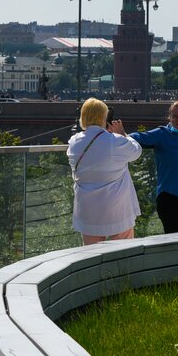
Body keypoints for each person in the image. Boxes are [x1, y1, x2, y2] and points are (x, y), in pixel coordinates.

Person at [67, 97, 143, 245]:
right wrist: (123, 134)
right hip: (117, 209)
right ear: (104, 117)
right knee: (123, 255)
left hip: (87, 210)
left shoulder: (74, 142)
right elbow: (136, 152)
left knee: (91, 258)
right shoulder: (114, 141)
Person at [130, 100, 178, 233]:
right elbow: (137, 137)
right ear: (169, 118)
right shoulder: (163, 134)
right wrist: (120, 135)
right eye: (174, 116)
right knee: (176, 244)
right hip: (172, 198)